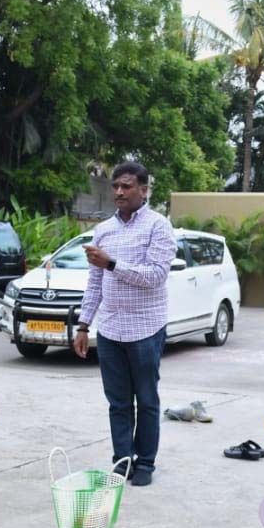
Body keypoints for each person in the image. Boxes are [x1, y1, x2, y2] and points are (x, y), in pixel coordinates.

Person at [72, 161, 176, 487]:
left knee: (146, 400)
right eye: (116, 186)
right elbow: (94, 282)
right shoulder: (104, 230)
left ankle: (145, 463)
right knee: (118, 403)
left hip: (146, 329)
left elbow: (156, 276)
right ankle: (122, 460)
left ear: (144, 190)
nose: (119, 191)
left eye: (127, 186)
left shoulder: (159, 227)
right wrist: (84, 324)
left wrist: (112, 263)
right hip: (110, 330)